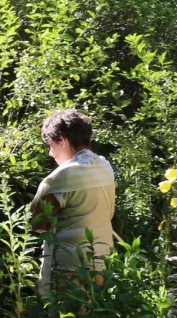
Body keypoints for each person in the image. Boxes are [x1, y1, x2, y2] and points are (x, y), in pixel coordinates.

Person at [31, 109, 116, 294]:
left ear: (62, 139)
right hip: (102, 261)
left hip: (67, 267)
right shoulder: (105, 166)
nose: (50, 153)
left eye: (49, 144)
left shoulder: (61, 177)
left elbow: (38, 223)